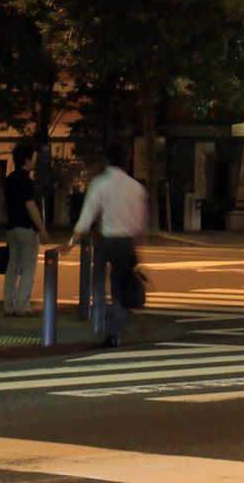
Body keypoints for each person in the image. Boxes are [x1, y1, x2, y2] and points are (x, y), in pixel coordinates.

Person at [67, 142, 148, 347]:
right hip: (127, 243)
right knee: (119, 285)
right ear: (125, 161)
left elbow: (85, 220)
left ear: (105, 161)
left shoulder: (99, 184)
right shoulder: (136, 187)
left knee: (99, 284)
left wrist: (69, 243)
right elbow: (140, 224)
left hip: (107, 244)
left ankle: (103, 324)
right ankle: (115, 326)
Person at [1, 144, 44, 317]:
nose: (34, 160)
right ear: (27, 159)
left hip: (12, 227)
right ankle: (22, 307)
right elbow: (30, 206)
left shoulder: (9, 178)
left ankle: (8, 306)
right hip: (27, 228)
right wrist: (42, 229)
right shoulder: (27, 181)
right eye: (32, 157)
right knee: (28, 268)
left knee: (12, 268)